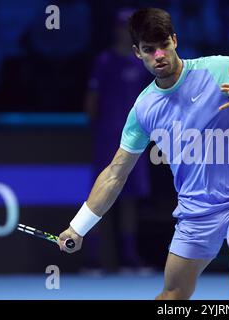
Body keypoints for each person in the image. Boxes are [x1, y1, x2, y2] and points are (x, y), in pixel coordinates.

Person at [58, 8, 229, 300]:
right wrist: (78, 227)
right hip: (195, 214)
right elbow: (114, 174)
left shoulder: (220, 69)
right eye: (149, 49)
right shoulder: (144, 109)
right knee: (172, 297)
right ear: (137, 52)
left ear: (175, 40)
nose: (159, 55)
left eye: (164, 45)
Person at [84, 8, 151, 272]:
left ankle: (129, 258)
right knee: (100, 196)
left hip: (135, 141)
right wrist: (101, 131)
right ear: (116, 30)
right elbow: (91, 101)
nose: (126, 32)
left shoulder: (141, 63)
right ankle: (92, 259)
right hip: (108, 139)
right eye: (123, 27)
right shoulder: (104, 61)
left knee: (129, 200)